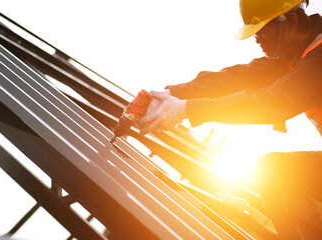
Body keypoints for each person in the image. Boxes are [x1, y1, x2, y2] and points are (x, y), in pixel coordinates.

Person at [138, 0, 322, 239]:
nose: (256, 39)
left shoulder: (317, 59)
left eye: (261, 30)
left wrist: (186, 110)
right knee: (277, 171)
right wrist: (171, 95)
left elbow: (274, 102)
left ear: (292, 22)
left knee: (277, 171)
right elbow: (237, 78)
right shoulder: (295, 57)